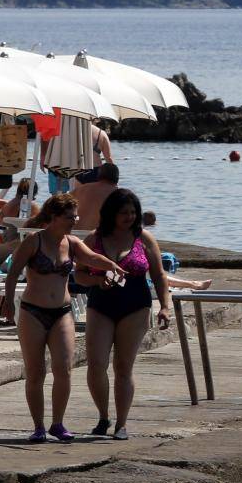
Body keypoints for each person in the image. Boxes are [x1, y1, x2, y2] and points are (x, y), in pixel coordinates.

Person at [0, 194, 124, 443]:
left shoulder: (72, 242)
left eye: (75, 216)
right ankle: (38, 426)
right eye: (69, 217)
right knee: (36, 372)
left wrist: (113, 265)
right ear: (54, 217)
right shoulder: (34, 241)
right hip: (32, 312)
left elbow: (91, 258)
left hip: (61, 313)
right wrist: (8, 304)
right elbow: (13, 273)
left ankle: (57, 423)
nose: (74, 220)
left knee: (64, 369)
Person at [80, 188, 171, 440]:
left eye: (133, 212)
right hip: (101, 303)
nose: (129, 217)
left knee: (123, 366)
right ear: (111, 213)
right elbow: (77, 274)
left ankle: (121, 424)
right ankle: (103, 416)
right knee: (96, 364)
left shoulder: (144, 238)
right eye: (124, 213)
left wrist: (164, 306)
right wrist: (96, 282)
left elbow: (159, 275)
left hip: (135, 305)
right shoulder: (94, 239)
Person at [71, 163, 120, 231]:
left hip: (74, 234)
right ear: (117, 179)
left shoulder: (79, 190)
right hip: (97, 237)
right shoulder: (118, 194)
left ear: (98, 176)